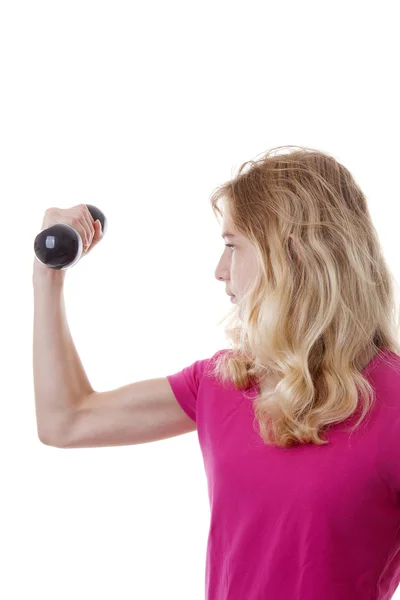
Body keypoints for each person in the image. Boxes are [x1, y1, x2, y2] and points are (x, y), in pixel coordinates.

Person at [32, 145, 400, 600]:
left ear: (294, 254)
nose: (220, 270)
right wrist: (49, 273)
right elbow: (65, 420)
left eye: (232, 246)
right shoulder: (225, 381)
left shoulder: (394, 402)